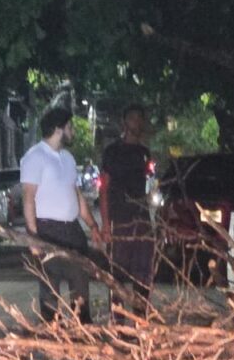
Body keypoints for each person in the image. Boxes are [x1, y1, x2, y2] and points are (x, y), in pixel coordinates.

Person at [21, 107, 103, 323]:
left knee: (81, 287)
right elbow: (28, 199)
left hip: (72, 231)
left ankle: (83, 336)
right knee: (50, 289)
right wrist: (33, 238)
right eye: (70, 127)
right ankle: (52, 338)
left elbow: (76, 196)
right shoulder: (35, 157)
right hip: (47, 230)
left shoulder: (67, 158)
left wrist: (93, 226)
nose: (73, 131)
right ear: (59, 129)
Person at [100, 104, 154, 318]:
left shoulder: (143, 153)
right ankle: (119, 323)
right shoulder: (112, 152)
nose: (136, 123)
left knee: (143, 275)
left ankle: (141, 320)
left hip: (142, 221)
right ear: (124, 122)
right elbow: (104, 188)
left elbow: (150, 185)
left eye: (140, 119)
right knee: (118, 276)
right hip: (120, 220)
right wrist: (106, 225)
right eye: (132, 118)